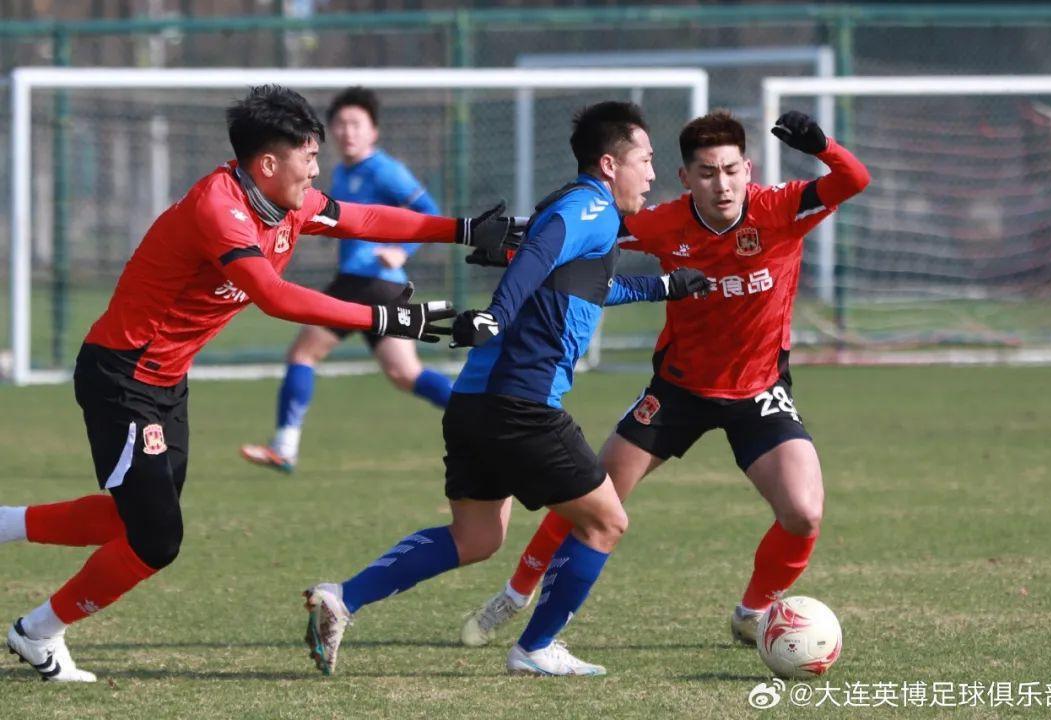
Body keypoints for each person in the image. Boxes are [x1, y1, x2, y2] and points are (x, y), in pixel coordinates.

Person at [0, 84, 516, 682]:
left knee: (130, 520)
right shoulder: (219, 208)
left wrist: (462, 229)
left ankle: (7, 524)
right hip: (123, 376)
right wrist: (388, 317)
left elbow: (364, 218)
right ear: (268, 164)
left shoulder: (284, 199)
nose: (317, 170)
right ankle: (38, 631)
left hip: (165, 380)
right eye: (309, 157)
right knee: (156, 539)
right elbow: (273, 296)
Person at [301, 101, 712, 678]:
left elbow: (587, 287)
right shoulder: (590, 207)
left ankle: (343, 597)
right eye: (644, 159)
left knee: (475, 537)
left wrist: (665, 287)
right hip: (522, 405)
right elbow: (539, 255)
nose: (651, 173)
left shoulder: (578, 211)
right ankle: (536, 647)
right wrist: (495, 315)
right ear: (609, 164)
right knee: (606, 521)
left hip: (474, 403)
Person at [458, 109, 871, 649]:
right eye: (707, 173)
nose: (721, 185)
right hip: (677, 390)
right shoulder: (662, 223)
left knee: (804, 513)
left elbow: (854, 180)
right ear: (685, 178)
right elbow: (573, 234)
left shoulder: (782, 208)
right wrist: (510, 247)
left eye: (731, 170)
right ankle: (516, 593)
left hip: (759, 391)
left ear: (748, 169)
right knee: (588, 493)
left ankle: (751, 613)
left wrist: (822, 146)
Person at [241, 87, 452, 473]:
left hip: (367, 282)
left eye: (356, 124)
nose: (346, 132)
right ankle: (482, 417)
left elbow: (429, 212)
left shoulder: (384, 169)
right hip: (379, 286)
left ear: (374, 131)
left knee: (303, 354)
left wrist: (402, 251)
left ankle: (285, 446)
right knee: (405, 374)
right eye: (340, 124)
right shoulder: (340, 171)